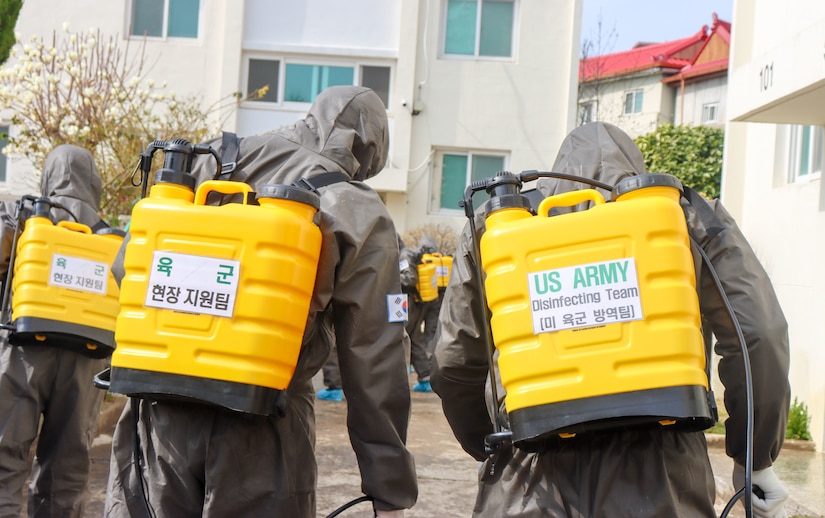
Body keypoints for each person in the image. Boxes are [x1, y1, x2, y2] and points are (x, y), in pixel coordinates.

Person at [431, 122, 791, 517]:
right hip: (663, 475)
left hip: (530, 476)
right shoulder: (681, 216)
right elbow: (758, 335)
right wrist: (754, 458)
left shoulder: (497, 226)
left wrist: (492, 443)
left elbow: (453, 363)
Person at [104, 86, 416, 517]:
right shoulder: (355, 206)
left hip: (157, 409)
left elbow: (127, 267)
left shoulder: (208, 158)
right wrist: (388, 486)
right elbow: (374, 355)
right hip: (264, 421)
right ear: (369, 150)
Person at [0, 145, 109, 517]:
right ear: (94, 183)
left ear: (48, 178)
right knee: (67, 469)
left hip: (21, 352)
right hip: (87, 360)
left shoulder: (23, 215)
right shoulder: (111, 236)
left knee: (4, 456)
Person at [400, 236, 440, 393]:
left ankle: (397, 378)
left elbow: (409, 279)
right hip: (418, 303)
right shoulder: (418, 255)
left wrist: (387, 279)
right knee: (415, 339)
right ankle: (425, 377)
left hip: (407, 302)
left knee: (401, 337)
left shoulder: (405, 255)